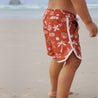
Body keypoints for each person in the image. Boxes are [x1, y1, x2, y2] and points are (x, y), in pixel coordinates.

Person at [43, 0, 98, 98]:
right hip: (62, 18)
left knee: (58, 56)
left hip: (50, 15)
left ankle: (54, 91)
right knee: (74, 60)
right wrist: (89, 23)